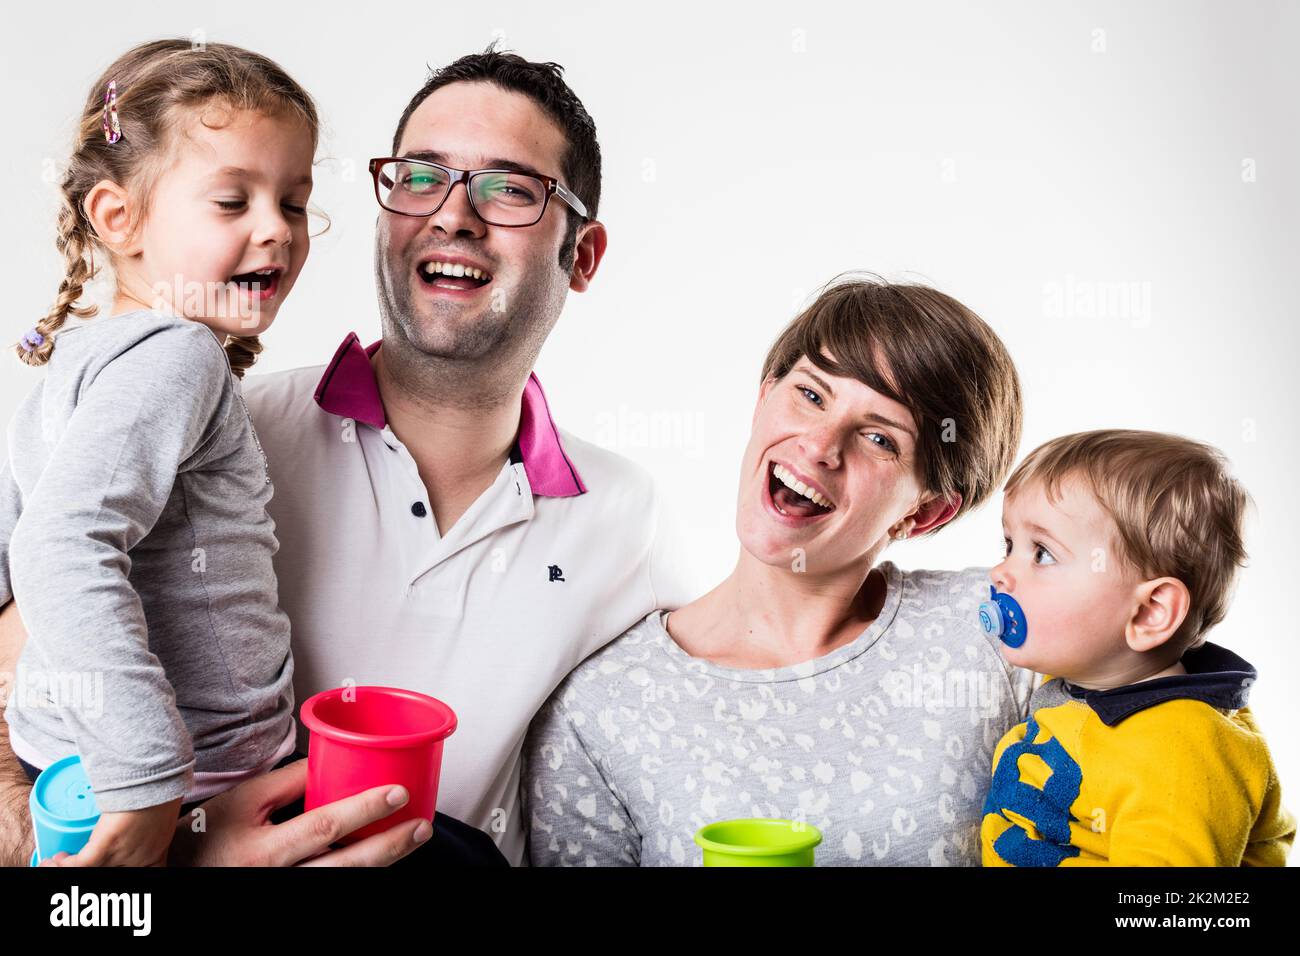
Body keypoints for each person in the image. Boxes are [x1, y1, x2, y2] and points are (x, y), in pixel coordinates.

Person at [0, 42, 706, 867]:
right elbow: (37, 640)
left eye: (509, 188)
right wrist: (175, 847)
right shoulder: (226, 432)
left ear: (580, 257)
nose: (452, 214)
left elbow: (742, 685)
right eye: (419, 177)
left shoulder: (633, 524)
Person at [522, 274, 1041, 866]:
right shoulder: (602, 705)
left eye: (878, 437)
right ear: (764, 398)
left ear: (924, 513)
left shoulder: (1001, 626)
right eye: (812, 395)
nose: (820, 444)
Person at [0, 39, 316, 866]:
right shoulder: (179, 355)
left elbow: (8, 550)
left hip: (61, 767)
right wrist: (143, 782)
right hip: (196, 779)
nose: (274, 231)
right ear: (118, 218)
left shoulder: (70, 366)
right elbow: (54, 546)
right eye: (231, 201)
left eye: (293, 201)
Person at [981, 430, 1295, 866]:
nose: (1000, 572)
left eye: (1043, 554)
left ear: (1149, 613)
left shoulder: (1183, 756)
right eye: (1009, 545)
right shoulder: (1082, 679)